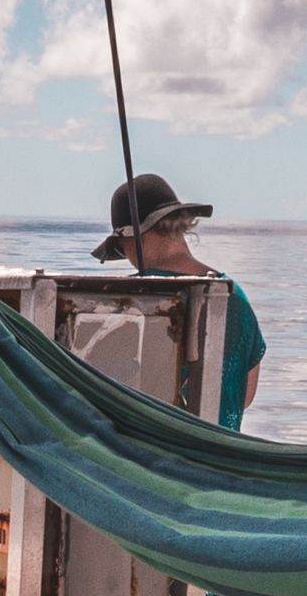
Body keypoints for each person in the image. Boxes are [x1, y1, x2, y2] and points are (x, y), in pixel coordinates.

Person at [97, 170, 267, 429]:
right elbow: (245, 396)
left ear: (135, 236)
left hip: (142, 455)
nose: (126, 254)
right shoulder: (234, 297)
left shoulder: (127, 300)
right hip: (217, 455)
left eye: (121, 246)